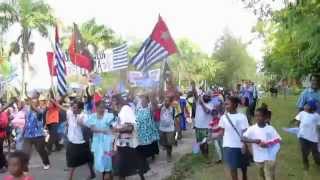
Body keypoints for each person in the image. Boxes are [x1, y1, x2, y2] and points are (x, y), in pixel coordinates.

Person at [54, 100, 95, 180]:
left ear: (80, 109)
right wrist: (55, 102)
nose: (73, 109)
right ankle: (70, 178)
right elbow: (63, 108)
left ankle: (92, 173)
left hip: (82, 143)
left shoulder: (84, 116)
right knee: (72, 163)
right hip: (72, 142)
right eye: (73, 107)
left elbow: (90, 127)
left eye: (75, 108)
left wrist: (82, 124)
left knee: (88, 159)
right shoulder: (70, 112)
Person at [112, 95, 149, 180]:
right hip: (123, 143)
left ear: (118, 101)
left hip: (128, 144)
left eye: (113, 101)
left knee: (124, 169)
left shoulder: (125, 109)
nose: (111, 104)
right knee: (130, 168)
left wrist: (117, 129)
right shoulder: (121, 111)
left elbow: (130, 127)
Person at [243, 107, 281, 180]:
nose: (257, 118)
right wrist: (255, 141)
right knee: (261, 175)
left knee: (269, 176)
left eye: (259, 116)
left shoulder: (270, 129)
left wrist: (268, 145)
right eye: (256, 116)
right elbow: (243, 138)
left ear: (265, 117)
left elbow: (278, 140)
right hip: (258, 157)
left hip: (269, 157)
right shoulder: (252, 129)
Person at [218, 96, 249, 180]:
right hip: (228, 146)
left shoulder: (242, 117)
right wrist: (211, 136)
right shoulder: (223, 118)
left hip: (240, 145)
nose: (225, 106)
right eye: (225, 104)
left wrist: (244, 145)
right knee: (232, 168)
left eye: (227, 104)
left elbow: (245, 132)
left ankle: (245, 177)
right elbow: (221, 132)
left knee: (243, 167)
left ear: (235, 105)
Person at [86, 101, 114, 180]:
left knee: (108, 165)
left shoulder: (109, 116)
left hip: (107, 144)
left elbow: (113, 127)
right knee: (100, 164)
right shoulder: (93, 116)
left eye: (103, 107)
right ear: (96, 107)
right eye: (100, 107)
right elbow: (92, 128)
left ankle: (108, 175)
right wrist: (103, 131)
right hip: (98, 144)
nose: (102, 109)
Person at [22, 98, 50, 170]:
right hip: (28, 135)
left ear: (37, 103)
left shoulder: (40, 111)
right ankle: (24, 165)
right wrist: (23, 131)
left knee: (41, 150)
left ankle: (46, 163)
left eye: (35, 102)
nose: (33, 104)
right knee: (26, 151)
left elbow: (39, 113)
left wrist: (32, 105)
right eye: (32, 102)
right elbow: (26, 122)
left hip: (38, 135)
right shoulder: (27, 111)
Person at [294, 100, 320, 171]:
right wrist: (297, 124)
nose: (305, 106)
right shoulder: (302, 113)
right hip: (302, 137)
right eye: (305, 105)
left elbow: (318, 126)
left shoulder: (316, 116)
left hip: (313, 138)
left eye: (307, 105)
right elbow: (297, 121)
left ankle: (317, 162)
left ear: (311, 107)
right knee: (304, 151)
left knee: (315, 153)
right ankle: (305, 164)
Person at [192, 82, 213, 160]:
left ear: (210, 98)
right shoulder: (198, 102)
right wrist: (194, 87)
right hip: (198, 126)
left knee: (205, 142)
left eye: (208, 96)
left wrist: (202, 103)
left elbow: (207, 111)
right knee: (200, 142)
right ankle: (203, 155)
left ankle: (206, 157)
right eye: (205, 95)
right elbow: (195, 94)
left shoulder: (211, 104)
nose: (206, 97)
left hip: (207, 127)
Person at [135, 94, 160, 160]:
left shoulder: (150, 108)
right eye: (142, 100)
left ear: (147, 101)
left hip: (149, 130)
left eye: (144, 100)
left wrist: (152, 99)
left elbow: (154, 111)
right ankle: (144, 157)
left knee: (150, 143)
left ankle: (152, 155)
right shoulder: (138, 109)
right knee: (142, 144)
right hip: (141, 130)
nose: (143, 102)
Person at [159, 96, 176, 162]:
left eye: (167, 101)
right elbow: (155, 107)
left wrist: (175, 127)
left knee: (169, 143)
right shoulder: (161, 107)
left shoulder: (173, 108)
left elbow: (174, 117)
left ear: (170, 102)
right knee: (164, 142)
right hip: (162, 128)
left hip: (170, 128)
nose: (166, 102)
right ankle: (167, 149)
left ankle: (169, 154)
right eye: (165, 101)